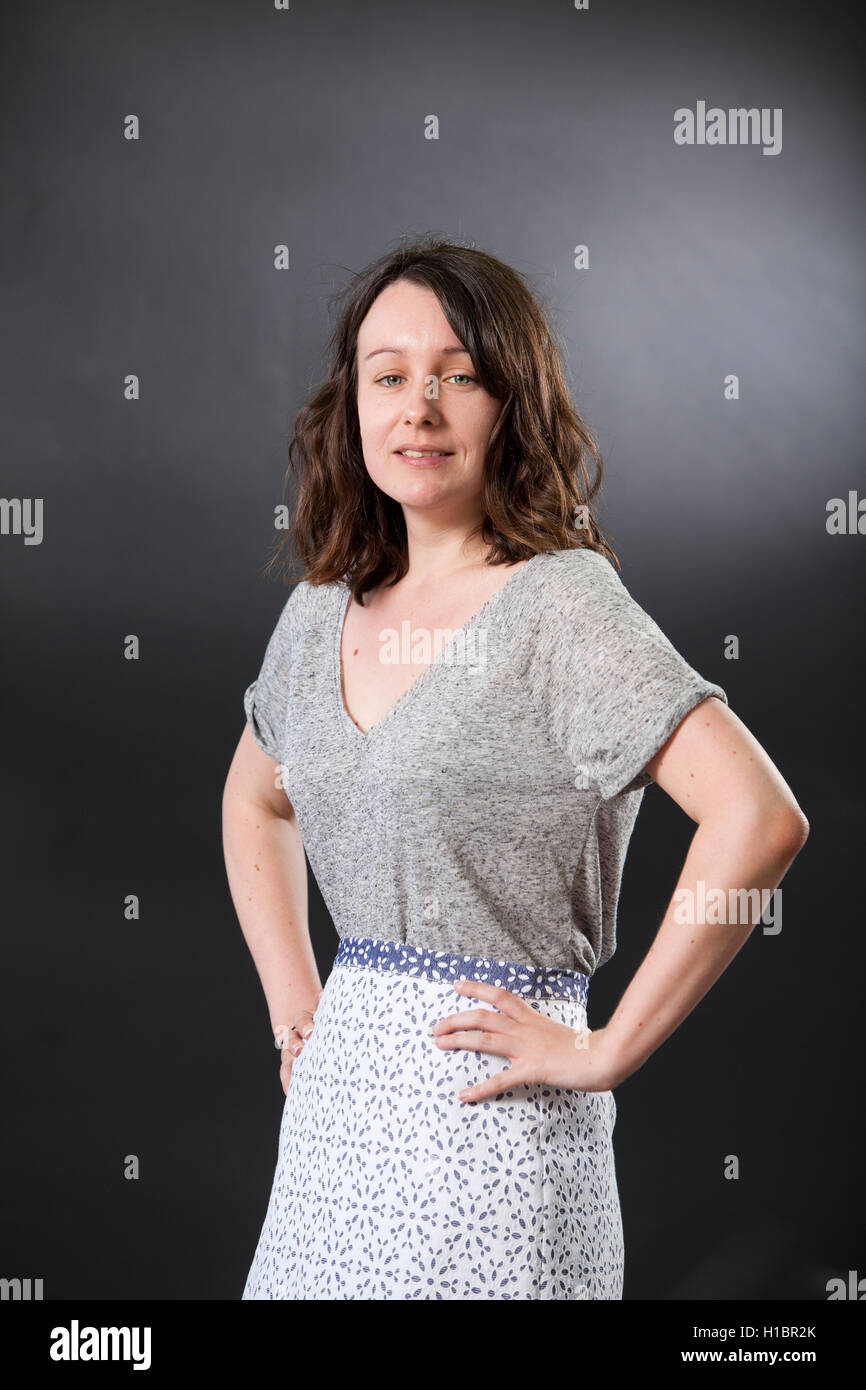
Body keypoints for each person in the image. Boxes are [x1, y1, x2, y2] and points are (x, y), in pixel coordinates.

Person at [222, 236, 809, 1301]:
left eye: (459, 375)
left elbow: (756, 817)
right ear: (350, 405)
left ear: (512, 401)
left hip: (492, 1135)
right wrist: (295, 1012)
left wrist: (607, 1047)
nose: (419, 407)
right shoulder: (316, 611)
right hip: (331, 1129)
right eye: (387, 376)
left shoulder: (561, 606)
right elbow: (253, 797)